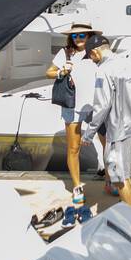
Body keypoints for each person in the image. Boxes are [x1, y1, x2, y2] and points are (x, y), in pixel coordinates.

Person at [82, 34, 131, 212]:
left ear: (95, 52)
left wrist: (89, 133)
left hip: (118, 130)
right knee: (124, 172)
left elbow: (102, 105)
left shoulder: (103, 70)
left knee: (119, 177)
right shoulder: (127, 64)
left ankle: (130, 221)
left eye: (90, 57)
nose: (92, 61)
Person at [47, 23, 99, 202]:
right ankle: (77, 187)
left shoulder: (96, 51)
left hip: (96, 105)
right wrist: (61, 71)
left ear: (89, 35)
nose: (79, 39)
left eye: (82, 35)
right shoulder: (65, 52)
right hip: (72, 105)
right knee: (73, 148)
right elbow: (49, 72)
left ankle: (110, 180)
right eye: (75, 36)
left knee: (108, 145)